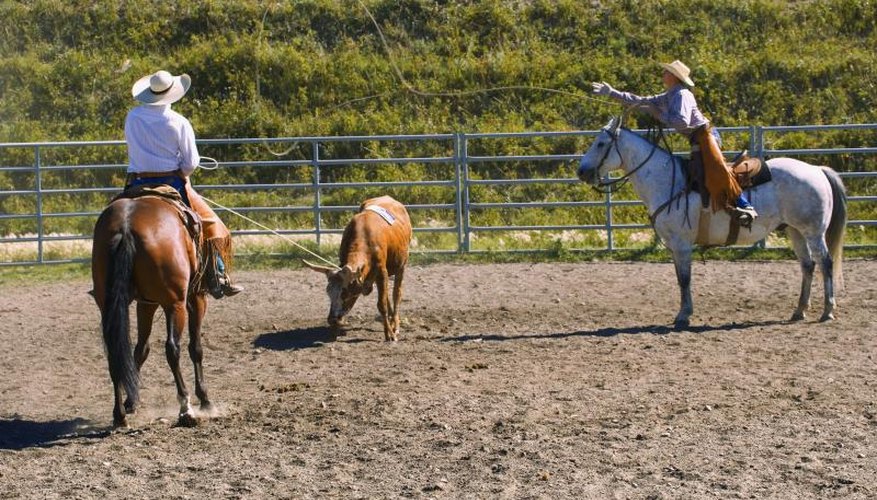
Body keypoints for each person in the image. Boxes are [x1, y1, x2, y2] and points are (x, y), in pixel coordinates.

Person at [592, 60, 758, 226]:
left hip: (706, 137)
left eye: (666, 72)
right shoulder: (670, 95)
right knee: (697, 173)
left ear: (673, 76)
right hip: (698, 139)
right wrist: (612, 92)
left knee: (715, 171)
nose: (663, 74)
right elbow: (641, 100)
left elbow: (682, 122)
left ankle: (745, 207)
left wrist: (659, 115)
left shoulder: (682, 95)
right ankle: (710, 213)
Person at [124, 70, 243, 298]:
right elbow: (191, 162)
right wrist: (182, 172)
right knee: (211, 224)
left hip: (137, 182)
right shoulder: (178, 121)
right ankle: (217, 274)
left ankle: (109, 275)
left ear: (149, 92)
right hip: (171, 181)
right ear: (172, 94)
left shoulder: (132, 117)